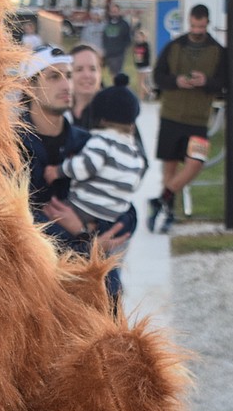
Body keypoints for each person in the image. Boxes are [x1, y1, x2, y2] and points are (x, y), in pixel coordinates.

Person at [20, 44, 134, 304]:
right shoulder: (11, 147)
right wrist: (83, 237)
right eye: (54, 76)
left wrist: (91, 232)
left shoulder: (89, 144)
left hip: (95, 288)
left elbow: (125, 208)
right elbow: (15, 224)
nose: (66, 84)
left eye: (68, 75)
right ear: (29, 87)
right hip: (37, 289)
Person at [147, 4, 227, 233]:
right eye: (193, 25)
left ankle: (159, 200)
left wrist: (206, 82)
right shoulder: (174, 47)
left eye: (201, 26)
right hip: (171, 116)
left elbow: (224, 82)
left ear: (207, 23)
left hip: (199, 120)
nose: (197, 30)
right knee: (169, 170)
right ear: (189, 22)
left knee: (196, 163)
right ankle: (166, 213)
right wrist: (177, 81)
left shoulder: (218, 51)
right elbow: (158, 77)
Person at [44, 75, 147, 236]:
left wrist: (57, 171)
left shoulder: (102, 141)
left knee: (46, 217)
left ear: (102, 119)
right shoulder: (135, 153)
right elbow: (133, 183)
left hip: (84, 208)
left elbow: (85, 167)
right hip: (114, 216)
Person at [68, 43, 104, 128]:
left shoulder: (114, 111)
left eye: (92, 69)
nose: (87, 75)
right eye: (79, 69)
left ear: (100, 73)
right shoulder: (59, 113)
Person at [100, 0, 132, 80]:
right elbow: (103, 37)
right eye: (112, 11)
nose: (114, 13)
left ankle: (117, 89)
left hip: (118, 54)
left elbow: (128, 39)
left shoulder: (124, 24)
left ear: (119, 11)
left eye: (115, 11)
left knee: (116, 74)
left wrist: (121, 49)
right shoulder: (106, 23)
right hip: (107, 52)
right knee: (102, 72)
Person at [132, 26, 152, 100]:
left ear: (144, 38)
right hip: (139, 66)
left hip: (145, 66)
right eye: (137, 37)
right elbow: (135, 56)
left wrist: (144, 63)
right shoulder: (136, 46)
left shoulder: (146, 46)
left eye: (139, 37)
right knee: (140, 83)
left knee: (141, 83)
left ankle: (144, 96)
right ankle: (147, 94)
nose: (138, 39)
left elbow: (147, 57)